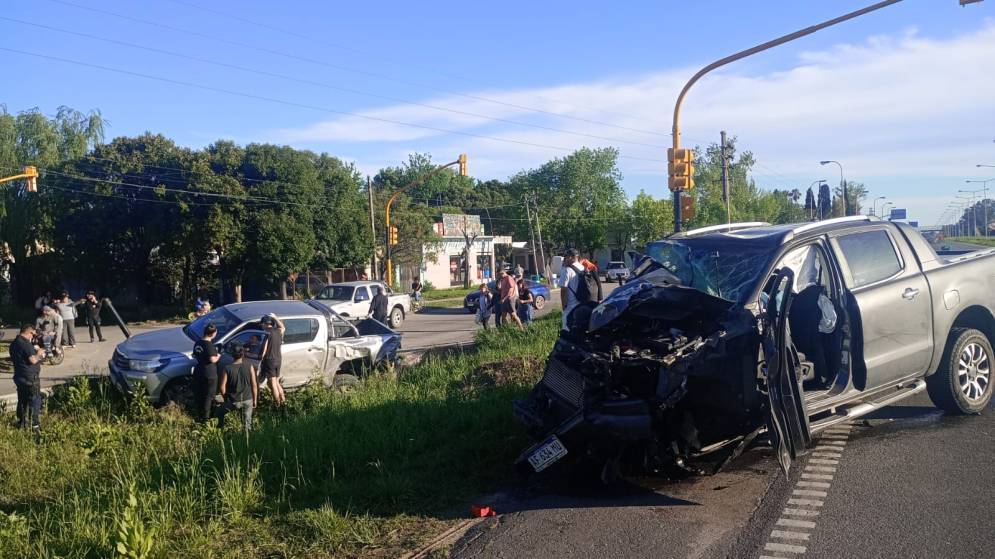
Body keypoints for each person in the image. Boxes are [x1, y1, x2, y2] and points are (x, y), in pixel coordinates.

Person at [9, 323, 46, 431]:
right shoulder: (25, 344)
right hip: (30, 377)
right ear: (29, 332)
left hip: (19, 375)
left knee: (22, 400)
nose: (33, 337)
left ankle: (22, 423)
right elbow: (33, 360)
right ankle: (34, 425)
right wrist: (39, 353)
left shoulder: (14, 343)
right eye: (33, 334)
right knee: (34, 400)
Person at [218, 343, 258, 431]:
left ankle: (221, 428)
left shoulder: (227, 368)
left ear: (232, 355)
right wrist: (255, 399)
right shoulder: (249, 366)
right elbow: (254, 385)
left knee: (220, 412)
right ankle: (247, 437)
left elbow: (222, 386)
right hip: (248, 399)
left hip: (233, 401)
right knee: (247, 423)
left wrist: (225, 398)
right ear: (243, 354)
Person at [192, 324, 221, 423]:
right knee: (209, 396)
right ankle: (206, 419)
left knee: (199, 394)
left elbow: (194, 355)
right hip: (209, 374)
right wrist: (219, 356)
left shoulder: (198, 343)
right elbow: (212, 359)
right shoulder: (209, 345)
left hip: (199, 371)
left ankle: (198, 415)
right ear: (213, 334)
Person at [259, 314, 286, 406]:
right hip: (278, 359)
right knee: (277, 382)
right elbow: (282, 327)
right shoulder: (278, 331)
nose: (261, 326)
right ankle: (283, 401)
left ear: (266, 324)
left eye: (262, 324)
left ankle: (278, 404)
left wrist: (260, 359)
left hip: (270, 360)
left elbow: (264, 350)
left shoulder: (266, 333)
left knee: (273, 384)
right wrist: (275, 317)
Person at [558, 249, 586, 332]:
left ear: (571, 257)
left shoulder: (567, 270)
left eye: (566, 257)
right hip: (582, 303)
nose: (565, 259)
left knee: (566, 329)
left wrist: (564, 305)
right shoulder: (582, 267)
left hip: (571, 306)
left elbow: (563, 289)